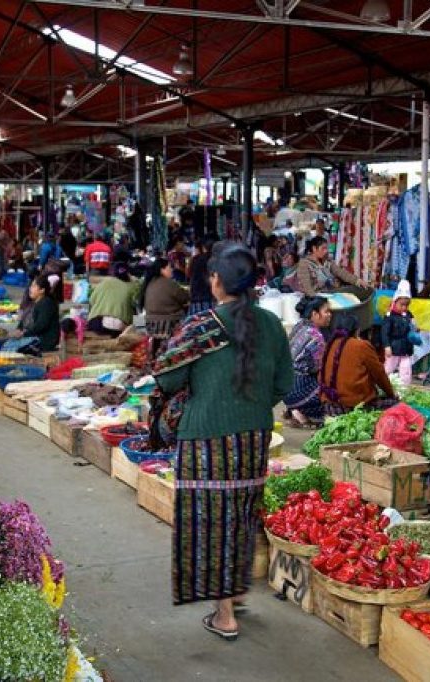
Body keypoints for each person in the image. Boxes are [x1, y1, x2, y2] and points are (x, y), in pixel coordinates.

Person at [153, 243, 292, 641]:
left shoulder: (201, 327)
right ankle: (237, 588)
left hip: (205, 439)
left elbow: (167, 377)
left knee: (212, 521)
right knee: (243, 515)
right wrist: (252, 405)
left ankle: (225, 614)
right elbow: (284, 381)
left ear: (218, 282)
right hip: (254, 435)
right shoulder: (269, 324)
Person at [320, 313, 397, 413]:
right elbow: (379, 374)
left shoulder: (329, 344)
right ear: (357, 330)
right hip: (355, 405)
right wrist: (391, 393)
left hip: (330, 406)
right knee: (396, 404)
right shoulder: (361, 346)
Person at [283, 295, 332, 427]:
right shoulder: (316, 336)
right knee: (335, 396)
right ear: (315, 314)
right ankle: (301, 410)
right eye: (326, 311)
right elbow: (319, 369)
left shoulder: (299, 325)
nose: (329, 315)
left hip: (285, 387)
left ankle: (295, 410)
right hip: (297, 389)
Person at [141, 257, 190, 355]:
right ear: (162, 269)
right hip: (168, 323)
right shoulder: (169, 284)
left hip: (148, 324)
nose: (171, 269)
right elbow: (185, 297)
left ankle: (154, 355)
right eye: (169, 267)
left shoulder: (148, 283)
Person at [5, 275, 60, 353]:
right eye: (31, 286)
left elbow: (41, 325)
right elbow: (23, 322)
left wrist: (23, 333)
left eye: (34, 286)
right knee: (7, 344)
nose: (30, 289)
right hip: (32, 336)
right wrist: (18, 330)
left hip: (43, 340)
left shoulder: (46, 303)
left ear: (42, 290)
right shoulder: (33, 303)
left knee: (13, 349)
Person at [294, 236, 364, 295]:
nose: (326, 251)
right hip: (317, 299)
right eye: (323, 248)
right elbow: (307, 288)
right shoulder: (304, 264)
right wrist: (317, 302)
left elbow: (341, 272)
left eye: (326, 248)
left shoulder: (327, 261)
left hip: (331, 295)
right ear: (314, 248)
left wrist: (357, 281)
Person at [380, 280, 418, 386]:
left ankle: (404, 390)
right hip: (393, 348)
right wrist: (387, 346)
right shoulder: (389, 316)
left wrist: (415, 328)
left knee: (406, 370)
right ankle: (383, 385)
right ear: (395, 301)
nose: (404, 308)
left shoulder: (408, 314)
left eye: (406, 305)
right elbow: (384, 333)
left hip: (406, 348)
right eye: (402, 305)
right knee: (388, 368)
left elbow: (412, 327)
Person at [86, 262, 138, 337]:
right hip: (116, 326)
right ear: (128, 274)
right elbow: (138, 307)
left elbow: (91, 300)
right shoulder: (133, 287)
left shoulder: (103, 283)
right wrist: (141, 331)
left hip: (95, 323)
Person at [188, 237, 216, 316]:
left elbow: (189, 275)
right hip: (212, 298)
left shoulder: (195, 259)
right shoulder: (217, 259)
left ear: (203, 247)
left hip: (197, 299)